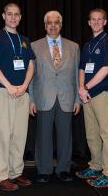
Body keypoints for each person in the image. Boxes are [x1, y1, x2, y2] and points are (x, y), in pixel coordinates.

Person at [0, 3, 35, 191]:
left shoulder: (25, 40)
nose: (13, 18)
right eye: (9, 14)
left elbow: (31, 65)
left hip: (21, 92)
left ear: (20, 17)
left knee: (19, 135)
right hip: (1, 91)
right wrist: (8, 85)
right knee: (1, 135)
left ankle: (16, 172)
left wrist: (23, 86)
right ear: (3, 16)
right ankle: (1, 176)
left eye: (16, 15)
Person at [29, 10, 81, 183]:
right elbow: (31, 76)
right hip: (43, 97)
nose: (53, 25)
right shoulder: (34, 46)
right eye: (49, 23)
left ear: (61, 25)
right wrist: (31, 100)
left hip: (67, 98)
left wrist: (77, 99)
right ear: (45, 26)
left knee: (65, 135)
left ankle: (64, 169)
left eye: (56, 22)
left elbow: (76, 75)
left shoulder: (73, 47)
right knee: (43, 135)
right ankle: (44, 170)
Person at [75, 8, 108, 189]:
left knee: (107, 133)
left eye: (100, 19)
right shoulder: (87, 45)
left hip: (102, 93)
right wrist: (81, 88)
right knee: (92, 133)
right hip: (87, 95)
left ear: (105, 22)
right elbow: (82, 69)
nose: (96, 22)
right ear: (88, 22)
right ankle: (96, 165)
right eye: (93, 19)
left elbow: (106, 69)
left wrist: (86, 87)